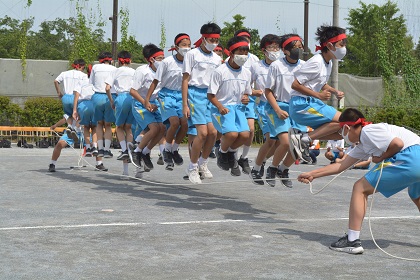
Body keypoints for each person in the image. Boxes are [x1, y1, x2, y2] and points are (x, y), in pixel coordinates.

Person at [298, 108, 420, 255]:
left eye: (341, 132)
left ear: (347, 128)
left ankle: (352, 241)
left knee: (359, 188)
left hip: (410, 157)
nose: (342, 136)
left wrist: (381, 157)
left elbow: (398, 144)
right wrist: (312, 174)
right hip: (416, 155)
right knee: (417, 196)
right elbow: (341, 165)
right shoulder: (364, 143)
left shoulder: (368, 131)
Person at [288, 25, 347, 163]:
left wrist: (334, 91)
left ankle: (304, 136)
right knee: (345, 121)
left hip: (311, 103)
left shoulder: (329, 63)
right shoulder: (316, 61)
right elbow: (295, 84)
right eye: (341, 44)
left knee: (341, 133)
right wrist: (319, 95)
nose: (344, 48)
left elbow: (319, 83)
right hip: (301, 104)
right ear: (330, 45)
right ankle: (305, 138)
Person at [255, 34, 306, 187]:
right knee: (284, 142)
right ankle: (272, 168)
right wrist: (277, 110)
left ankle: (283, 169)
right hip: (277, 107)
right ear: (286, 50)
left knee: (300, 145)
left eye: (300, 47)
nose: (298, 50)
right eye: (294, 47)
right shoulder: (276, 66)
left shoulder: (304, 65)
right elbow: (268, 91)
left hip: (297, 108)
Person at [182, 22, 222, 184]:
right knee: (202, 133)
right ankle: (192, 167)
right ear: (204, 38)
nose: (214, 43)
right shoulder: (192, 55)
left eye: (216, 40)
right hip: (195, 94)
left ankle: (202, 163)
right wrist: (185, 104)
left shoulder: (217, 59)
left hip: (211, 95)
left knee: (213, 133)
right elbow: (185, 79)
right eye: (211, 39)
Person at [145, 34, 191, 171]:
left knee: (185, 124)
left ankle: (174, 149)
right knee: (175, 122)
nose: (187, 48)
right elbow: (155, 81)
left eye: (189, 45)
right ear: (176, 47)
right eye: (183, 45)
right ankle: (166, 150)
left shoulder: (191, 62)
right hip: (167, 95)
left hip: (181, 96)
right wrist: (147, 99)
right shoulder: (167, 62)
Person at [208, 36, 252, 177]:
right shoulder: (220, 71)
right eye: (240, 53)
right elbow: (211, 95)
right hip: (222, 108)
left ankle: (230, 153)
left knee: (245, 134)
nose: (243, 56)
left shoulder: (247, 73)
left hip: (238, 108)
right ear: (231, 53)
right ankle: (222, 152)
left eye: (246, 53)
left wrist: (246, 98)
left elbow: (247, 93)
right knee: (232, 134)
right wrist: (220, 107)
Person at [244, 34, 281, 183]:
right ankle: (257, 168)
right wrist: (254, 92)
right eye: (271, 47)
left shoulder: (282, 65)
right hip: (264, 107)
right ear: (263, 50)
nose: (275, 50)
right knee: (271, 140)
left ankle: (262, 161)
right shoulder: (256, 66)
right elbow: (246, 85)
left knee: (280, 142)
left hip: (280, 107)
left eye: (277, 47)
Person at [130, 44, 166, 172]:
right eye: (160, 58)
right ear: (152, 60)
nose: (163, 61)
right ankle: (137, 151)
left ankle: (146, 152)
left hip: (154, 104)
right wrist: (145, 102)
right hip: (140, 104)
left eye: (164, 58)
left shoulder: (163, 72)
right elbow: (133, 91)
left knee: (162, 128)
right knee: (154, 128)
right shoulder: (142, 71)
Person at [230, 29, 261, 170]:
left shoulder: (253, 59)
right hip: (234, 101)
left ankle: (244, 157)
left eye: (247, 39)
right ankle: (232, 156)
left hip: (248, 99)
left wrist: (253, 92)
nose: (245, 42)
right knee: (237, 131)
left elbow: (255, 79)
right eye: (241, 39)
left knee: (250, 130)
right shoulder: (228, 60)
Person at [105, 50, 135, 177]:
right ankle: (128, 160)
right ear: (130, 60)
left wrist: (112, 100)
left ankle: (124, 150)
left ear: (118, 60)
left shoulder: (115, 71)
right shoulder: (135, 72)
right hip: (133, 98)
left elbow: (107, 88)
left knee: (118, 127)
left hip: (121, 97)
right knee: (129, 128)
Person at [72, 80, 108, 171]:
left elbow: (76, 95)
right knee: (96, 127)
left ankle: (88, 148)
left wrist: (74, 110)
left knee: (86, 127)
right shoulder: (97, 82)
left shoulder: (81, 82)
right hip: (94, 104)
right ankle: (95, 148)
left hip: (83, 104)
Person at [90, 52, 117, 159]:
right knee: (108, 125)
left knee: (99, 124)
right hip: (109, 96)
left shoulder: (95, 67)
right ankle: (107, 150)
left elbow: (91, 82)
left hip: (97, 96)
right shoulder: (114, 69)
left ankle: (99, 149)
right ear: (110, 60)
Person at [54, 59, 88, 141]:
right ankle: (75, 129)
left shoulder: (65, 73)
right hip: (75, 97)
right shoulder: (83, 75)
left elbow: (55, 81)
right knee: (78, 115)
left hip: (65, 97)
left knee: (68, 114)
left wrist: (59, 92)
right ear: (82, 66)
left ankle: (69, 127)